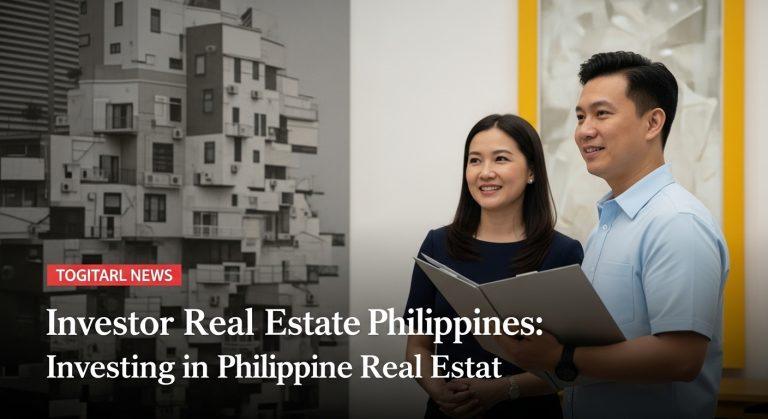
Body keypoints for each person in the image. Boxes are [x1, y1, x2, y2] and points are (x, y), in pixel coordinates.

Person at [494, 51, 729, 419]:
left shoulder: (677, 221)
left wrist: (561, 356)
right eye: (580, 116)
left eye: (602, 114)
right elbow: (603, 349)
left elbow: (681, 358)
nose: (584, 130)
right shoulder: (608, 222)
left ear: (653, 123)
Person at [405, 114, 584, 418]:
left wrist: (501, 390)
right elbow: (418, 346)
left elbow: (570, 364)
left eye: (500, 159)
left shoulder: (564, 252)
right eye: (475, 161)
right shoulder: (437, 245)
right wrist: (438, 390)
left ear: (531, 172)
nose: (485, 172)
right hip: (450, 411)